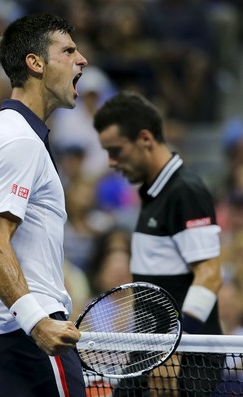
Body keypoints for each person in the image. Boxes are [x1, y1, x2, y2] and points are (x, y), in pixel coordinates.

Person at [0, 13, 88, 397]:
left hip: (1, 337)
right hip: (28, 340)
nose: (81, 59)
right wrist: (38, 323)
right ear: (35, 63)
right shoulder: (18, 140)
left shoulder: (10, 135)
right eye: (68, 50)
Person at [93, 91, 223, 396]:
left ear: (145, 139)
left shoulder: (184, 192)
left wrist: (174, 350)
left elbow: (211, 274)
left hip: (183, 362)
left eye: (116, 151)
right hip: (152, 351)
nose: (111, 162)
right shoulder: (154, 192)